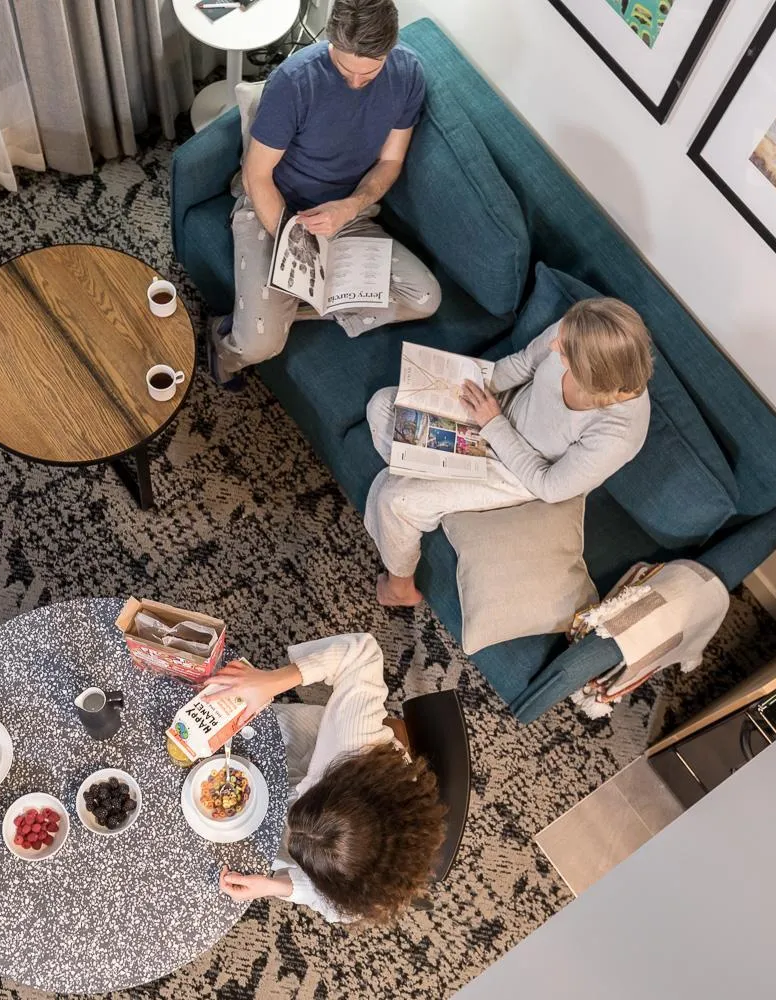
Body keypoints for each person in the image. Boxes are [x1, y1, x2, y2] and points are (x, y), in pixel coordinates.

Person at [208, 0, 441, 388]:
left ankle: (274, 312)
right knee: (256, 347)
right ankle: (226, 342)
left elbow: (390, 162)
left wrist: (348, 208)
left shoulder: (408, 74)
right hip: (276, 210)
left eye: (369, 73)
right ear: (332, 39)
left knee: (423, 297)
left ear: (390, 50)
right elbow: (256, 175)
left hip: (346, 216)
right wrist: (295, 242)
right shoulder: (294, 81)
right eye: (345, 69)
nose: (355, 82)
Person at [365, 297, 655, 606]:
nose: (555, 345)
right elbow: (525, 362)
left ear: (591, 376)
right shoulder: (581, 329)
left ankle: (400, 588)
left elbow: (550, 486)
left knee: (396, 499)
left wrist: (493, 424)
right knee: (383, 406)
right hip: (499, 409)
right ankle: (429, 477)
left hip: (520, 472)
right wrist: (471, 392)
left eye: (564, 351)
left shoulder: (619, 432)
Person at [213, 633, 445, 922]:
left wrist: (275, 886)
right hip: (312, 746)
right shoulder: (356, 741)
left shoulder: (362, 894)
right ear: (338, 783)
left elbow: (332, 906)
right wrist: (271, 682)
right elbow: (361, 654)